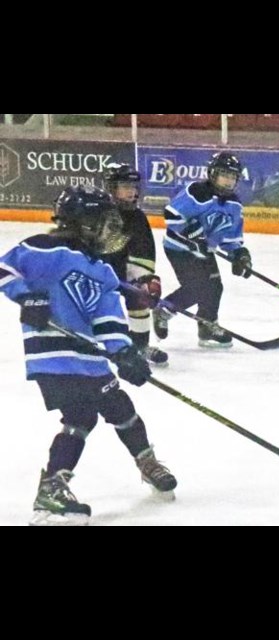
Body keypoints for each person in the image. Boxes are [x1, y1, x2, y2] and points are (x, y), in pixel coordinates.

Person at [0, 187, 177, 526]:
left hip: (89, 357)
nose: (112, 229)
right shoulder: (44, 248)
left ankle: (147, 461)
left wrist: (124, 352)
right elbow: (4, 271)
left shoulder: (103, 269)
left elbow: (107, 319)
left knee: (120, 407)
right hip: (52, 355)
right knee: (81, 415)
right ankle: (52, 489)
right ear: (83, 222)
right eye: (104, 221)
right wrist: (28, 298)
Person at [153, 151, 252, 348]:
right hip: (179, 248)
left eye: (233, 177)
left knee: (214, 287)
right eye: (225, 175)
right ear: (213, 174)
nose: (228, 181)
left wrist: (240, 255)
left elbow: (230, 238)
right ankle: (163, 310)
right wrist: (191, 232)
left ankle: (207, 327)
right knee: (197, 288)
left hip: (203, 251)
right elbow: (172, 215)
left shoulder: (234, 205)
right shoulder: (197, 192)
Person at [100, 162, 168, 367]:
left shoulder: (137, 218)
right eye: (125, 187)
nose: (132, 192)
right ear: (111, 188)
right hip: (93, 272)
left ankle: (139, 345)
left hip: (121, 273)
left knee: (140, 294)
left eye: (134, 187)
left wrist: (145, 281)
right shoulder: (97, 213)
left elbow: (143, 254)